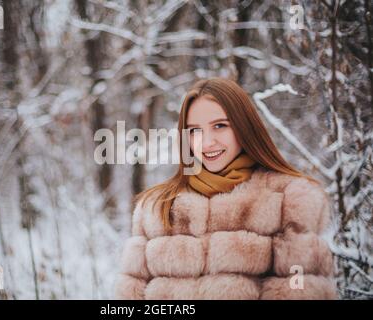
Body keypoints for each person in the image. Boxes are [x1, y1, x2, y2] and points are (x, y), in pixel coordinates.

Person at [114, 78, 338, 299]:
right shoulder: (156, 207)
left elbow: (298, 286)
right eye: (194, 131)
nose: (207, 142)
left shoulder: (289, 199)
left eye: (219, 126)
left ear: (244, 126)